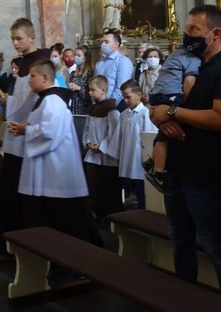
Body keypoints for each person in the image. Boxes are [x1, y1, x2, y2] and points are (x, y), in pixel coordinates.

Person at [149, 4, 221, 300]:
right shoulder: (192, 63)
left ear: (216, 34)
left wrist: (172, 112)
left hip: (205, 172)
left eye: (195, 29)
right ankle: (185, 301)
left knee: (215, 247)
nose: (187, 34)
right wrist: (165, 118)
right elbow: (158, 110)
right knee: (180, 242)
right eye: (187, 28)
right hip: (177, 170)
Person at [9, 59, 102, 246]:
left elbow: (49, 133)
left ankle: (80, 260)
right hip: (50, 170)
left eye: (32, 76)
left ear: (45, 77)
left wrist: (26, 129)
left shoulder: (53, 101)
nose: (29, 80)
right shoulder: (46, 99)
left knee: (67, 220)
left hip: (57, 173)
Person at [0, 18, 50, 263]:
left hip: (28, 136)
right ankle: (5, 245)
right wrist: (9, 100)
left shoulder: (41, 63)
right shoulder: (21, 65)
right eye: (12, 39)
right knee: (9, 194)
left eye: (19, 38)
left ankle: (28, 247)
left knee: (26, 198)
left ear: (31, 37)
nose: (15, 43)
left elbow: (35, 99)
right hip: (15, 137)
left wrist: (9, 102)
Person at [142, 43, 201, 194]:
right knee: (166, 135)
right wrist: (185, 106)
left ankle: (152, 161)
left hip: (156, 94)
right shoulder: (193, 58)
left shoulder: (175, 55)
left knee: (166, 129)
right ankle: (159, 173)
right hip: (170, 94)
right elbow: (189, 82)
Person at [82, 75, 122, 219]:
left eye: (93, 90)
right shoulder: (92, 109)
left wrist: (102, 146)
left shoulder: (111, 110)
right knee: (92, 186)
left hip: (107, 157)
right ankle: (95, 214)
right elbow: (87, 129)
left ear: (103, 90)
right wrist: (88, 142)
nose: (90, 93)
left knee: (108, 188)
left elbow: (115, 132)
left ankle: (111, 217)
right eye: (89, 90)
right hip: (92, 156)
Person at [118, 80, 157, 210]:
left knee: (141, 189)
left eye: (128, 97)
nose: (125, 100)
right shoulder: (124, 114)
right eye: (124, 97)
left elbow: (148, 137)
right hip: (128, 155)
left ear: (139, 95)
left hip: (140, 157)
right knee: (129, 184)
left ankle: (143, 211)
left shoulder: (145, 113)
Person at [95, 29, 134, 107]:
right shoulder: (99, 63)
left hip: (116, 105)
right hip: (99, 105)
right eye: (102, 42)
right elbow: (95, 85)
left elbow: (121, 88)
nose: (103, 44)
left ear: (116, 44)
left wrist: (108, 105)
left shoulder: (123, 61)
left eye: (106, 42)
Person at [69, 45, 94, 115]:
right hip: (74, 106)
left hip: (84, 107)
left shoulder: (90, 74)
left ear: (85, 58)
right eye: (75, 55)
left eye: (79, 55)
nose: (75, 57)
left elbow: (90, 94)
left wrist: (79, 88)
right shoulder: (73, 74)